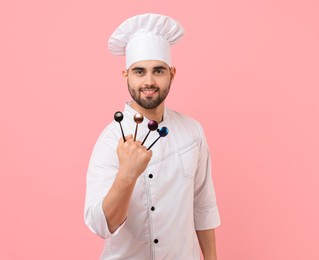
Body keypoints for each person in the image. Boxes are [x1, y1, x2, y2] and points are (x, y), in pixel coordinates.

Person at [84, 13, 221, 260]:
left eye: (158, 71)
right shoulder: (109, 140)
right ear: (126, 75)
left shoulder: (192, 131)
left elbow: (203, 205)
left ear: (172, 73)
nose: (149, 81)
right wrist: (127, 173)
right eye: (139, 72)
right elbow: (102, 226)